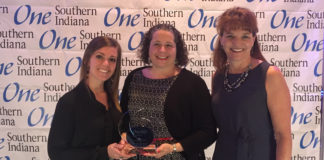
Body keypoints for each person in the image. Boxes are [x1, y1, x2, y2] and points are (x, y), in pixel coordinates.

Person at [120, 24, 216, 160]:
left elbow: (208, 132)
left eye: (169, 45)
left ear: (178, 50)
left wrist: (174, 147)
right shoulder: (133, 78)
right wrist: (125, 137)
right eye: (157, 44)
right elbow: (124, 120)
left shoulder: (193, 84)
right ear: (148, 47)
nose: (162, 50)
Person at [211, 7, 292, 160]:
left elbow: (283, 136)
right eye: (230, 35)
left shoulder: (270, 75)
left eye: (245, 36)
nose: (237, 42)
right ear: (221, 39)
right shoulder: (218, 77)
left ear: (253, 39)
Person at [48, 36, 135, 160]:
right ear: (87, 60)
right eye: (99, 56)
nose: (106, 64)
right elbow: (56, 153)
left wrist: (122, 145)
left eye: (112, 59)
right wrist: (105, 153)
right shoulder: (69, 102)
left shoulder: (113, 101)